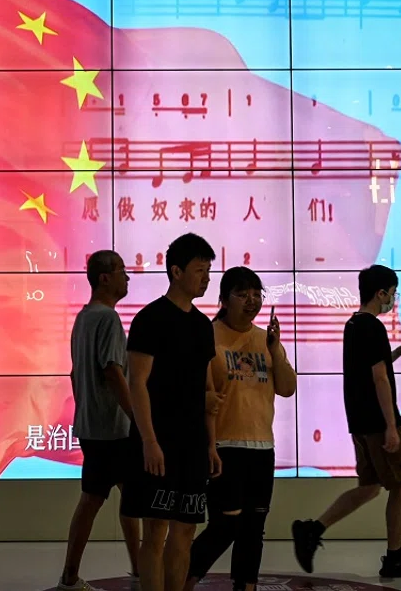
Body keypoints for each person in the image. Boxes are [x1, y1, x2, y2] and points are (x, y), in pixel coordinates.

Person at [291, 264, 401, 579]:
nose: (394, 299)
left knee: (370, 486)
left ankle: (312, 529)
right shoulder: (373, 327)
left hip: (360, 422)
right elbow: (379, 378)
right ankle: (394, 556)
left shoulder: (354, 325)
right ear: (380, 293)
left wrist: (397, 353)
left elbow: (372, 367)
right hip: (379, 422)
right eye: (392, 293)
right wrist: (392, 426)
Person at [120, 233, 223, 591]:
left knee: (185, 532)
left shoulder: (201, 325)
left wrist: (210, 445)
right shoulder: (149, 320)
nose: (206, 278)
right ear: (176, 271)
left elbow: (206, 390)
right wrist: (148, 440)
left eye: (208, 270)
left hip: (193, 445)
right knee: (156, 531)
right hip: (158, 443)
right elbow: (137, 384)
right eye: (199, 270)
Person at [184, 267, 297, 591]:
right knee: (225, 523)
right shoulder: (208, 335)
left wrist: (275, 349)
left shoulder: (266, 339)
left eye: (256, 294)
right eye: (242, 293)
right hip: (222, 445)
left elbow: (287, 388)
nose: (251, 300)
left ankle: (245, 586)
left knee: (253, 527)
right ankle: (180, 577)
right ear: (223, 298)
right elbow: (194, 388)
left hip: (261, 446)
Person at [57, 250, 141, 591]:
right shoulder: (106, 319)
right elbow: (112, 370)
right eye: (122, 270)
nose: (127, 277)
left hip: (94, 426)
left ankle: (137, 568)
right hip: (113, 428)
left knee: (119, 496)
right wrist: (136, 415)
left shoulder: (83, 318)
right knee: (104, 499)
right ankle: (70, 576)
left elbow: (78, 372)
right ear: (104, 277)